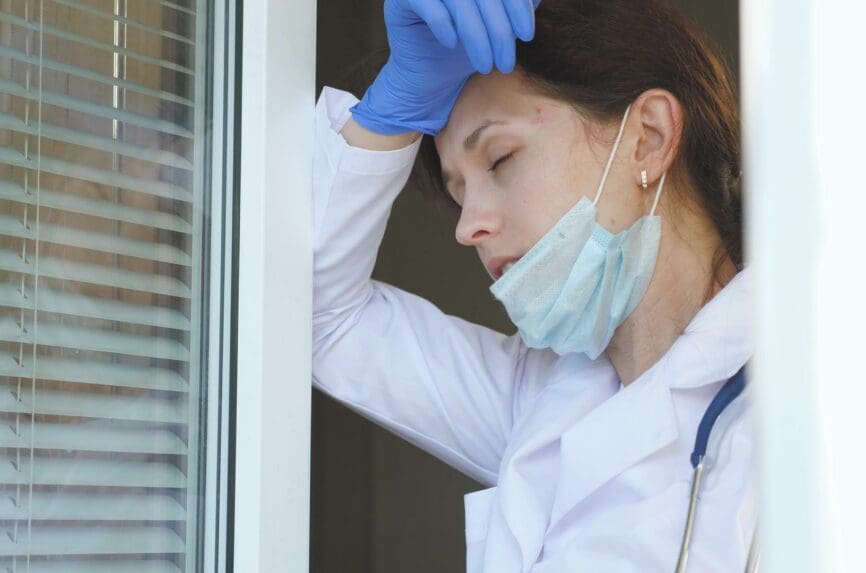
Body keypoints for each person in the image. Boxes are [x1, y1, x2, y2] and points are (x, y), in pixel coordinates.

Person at [312, 0, 754, 571]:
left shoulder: (815, 401)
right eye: (457, 193)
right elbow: (318, 316)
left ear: (647, 137)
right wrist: (389, 112)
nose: (468, 226)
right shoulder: (543, 401)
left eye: (499, 160)